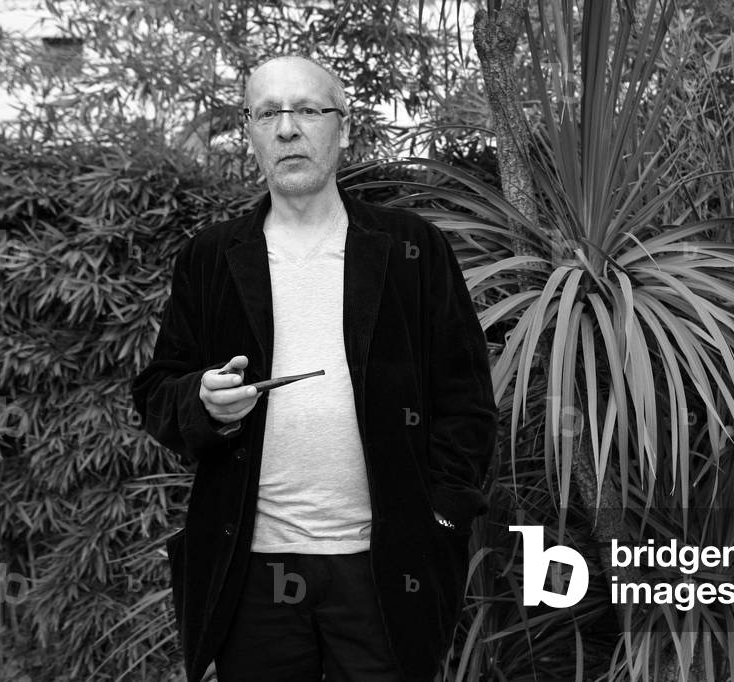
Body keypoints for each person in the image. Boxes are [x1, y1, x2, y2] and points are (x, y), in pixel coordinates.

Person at [131, 55, 497, 682]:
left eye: (307, 110)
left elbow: (465, 400)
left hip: (383, 565)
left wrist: (442, 515)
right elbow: (158, 391)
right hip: (255, 571)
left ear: (343, 128)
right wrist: (203, 402)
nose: (288, 128)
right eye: (268, 113)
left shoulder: (412, 248)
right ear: (250, 132)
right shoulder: (212, 257)